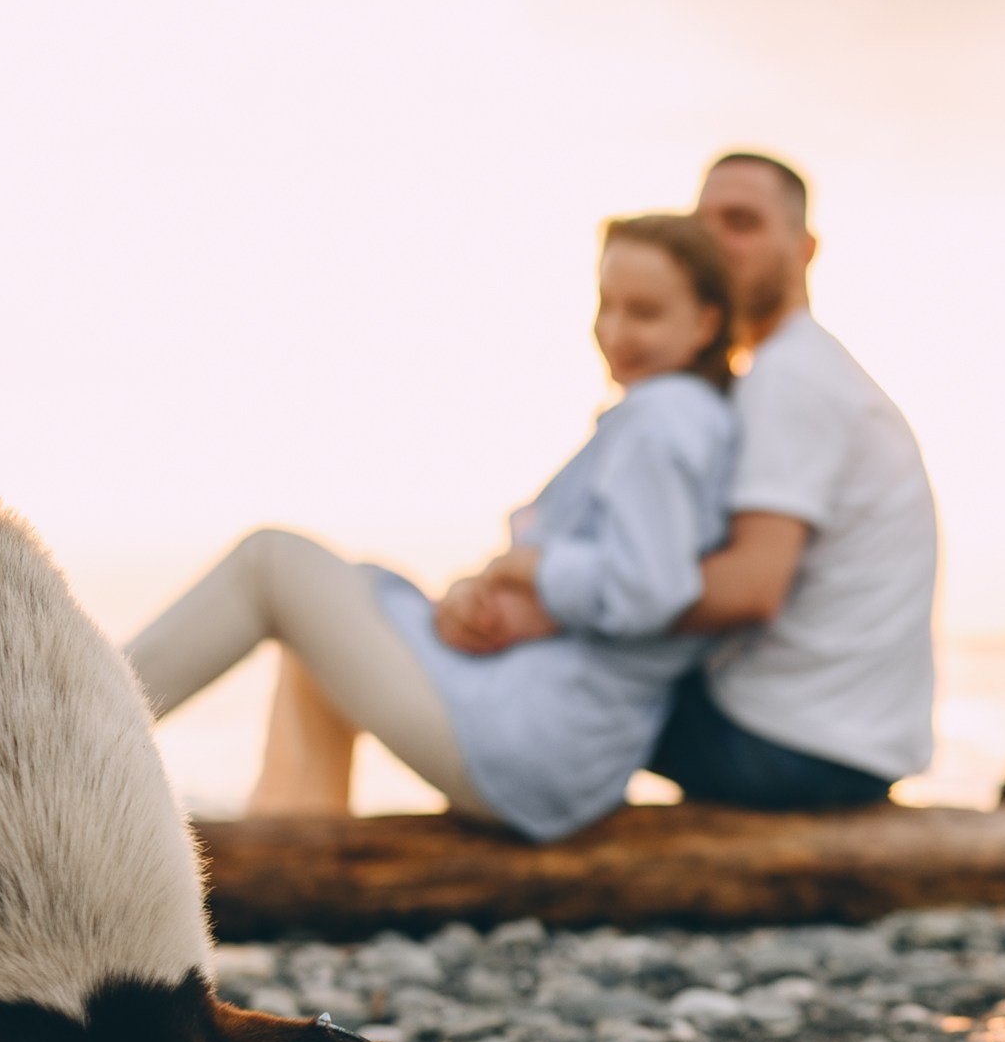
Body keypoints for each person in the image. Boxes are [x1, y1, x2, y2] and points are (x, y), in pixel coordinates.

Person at [123, 213, 739, 842]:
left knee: (271, 565)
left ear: (706, 324)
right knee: (341, 597)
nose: (615, 331)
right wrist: (489, 586)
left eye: (645, 313)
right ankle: (293, 832)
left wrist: (525, 570)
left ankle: (61, 734)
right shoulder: (675, 418)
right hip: (542, 734)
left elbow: (656, 591)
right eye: (607, 306)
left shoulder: (663, 421)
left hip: (529, 742)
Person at [647, 151, 940, 808]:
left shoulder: (789, 378)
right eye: (704, 223)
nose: (715, 242)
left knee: (552, 676)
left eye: (742, 222)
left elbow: (749, 589)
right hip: (850, 742)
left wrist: (555, 604)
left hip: (794, 748)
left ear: (804, 249)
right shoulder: (801, 367)